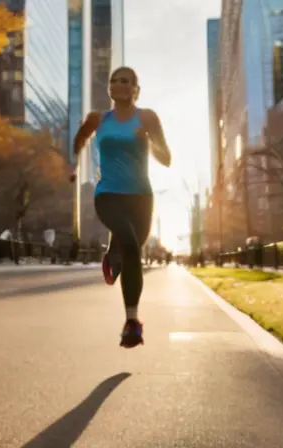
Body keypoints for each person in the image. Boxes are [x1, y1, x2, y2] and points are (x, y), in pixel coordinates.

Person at [72, 66, 172, 348]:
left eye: (125, 81)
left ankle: (114, 253)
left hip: (141, 197)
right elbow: (79, 139)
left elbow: (167, 159)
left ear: (135, 89)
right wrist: (74, 164)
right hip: (108, 195)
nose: (118, 84)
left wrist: (149, 142)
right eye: (114, 80)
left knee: (131, 252)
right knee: (129, 243)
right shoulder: (97, 119)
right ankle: (132, 322)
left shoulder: (147, 117)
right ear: (109, 88)